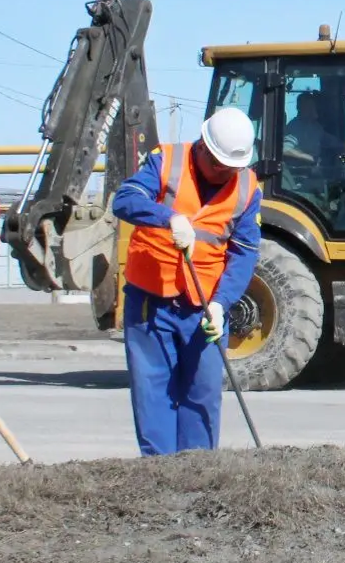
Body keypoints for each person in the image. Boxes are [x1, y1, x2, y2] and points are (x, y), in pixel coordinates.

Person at [110, 107, 262, 454]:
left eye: (234, 169)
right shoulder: (165, 161)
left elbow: (245, 252)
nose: (227, 175)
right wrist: (168, 217)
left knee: (203, 399)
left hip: (205, 309)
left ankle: (198, 479)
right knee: (154, 395)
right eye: (221, 167)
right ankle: (160, 480)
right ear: (204, 148)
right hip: (152, 301)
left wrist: (223, 305)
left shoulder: (247, 187)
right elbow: (125, 200)